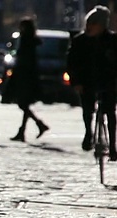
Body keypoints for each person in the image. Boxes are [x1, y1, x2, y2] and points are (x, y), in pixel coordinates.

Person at [67, 5, 117, 160]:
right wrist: (76, 82)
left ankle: (113, 146)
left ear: (102, 26)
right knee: (87, 109)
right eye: (88, 23)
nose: (90, 27)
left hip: (108, 81)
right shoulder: (79, 41)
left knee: (110, 112)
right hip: (86, 81)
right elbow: (71, 63)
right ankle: (88, 133)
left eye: (94, 24)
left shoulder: (112, 40)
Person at [6, 17, 49, 142]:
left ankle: (34, 126)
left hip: (24, 75)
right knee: (24, 103)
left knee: (23, 103)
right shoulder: (29, 39)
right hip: (27, 75)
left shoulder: (26, 40)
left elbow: (25, 59)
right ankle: (28, 129)